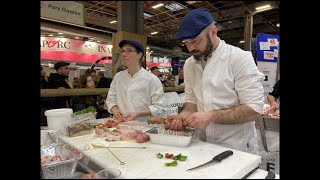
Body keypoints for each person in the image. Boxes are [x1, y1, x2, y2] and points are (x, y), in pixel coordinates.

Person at [165, 8, 265, 154]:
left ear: (213, 31)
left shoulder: (239, 58)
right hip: (202, 146)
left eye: (196, 41)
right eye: (186, 42)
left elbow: (254, 110)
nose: (191, 48)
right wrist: (183, 116)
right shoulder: (189, 64)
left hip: (237, 149)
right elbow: (191, 102)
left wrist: (211, 117)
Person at [106, 40, 166, 121]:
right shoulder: (118, 77)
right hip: (121, 125)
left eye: (129, 51)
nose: (123, 54)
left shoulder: (151, 79)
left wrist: (139, 113)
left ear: (139, 55)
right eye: (123, 51)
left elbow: (160, 107)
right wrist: (115, 110)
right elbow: (110, 100)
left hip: (143, 126)